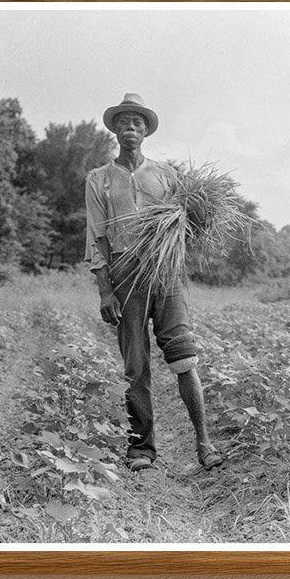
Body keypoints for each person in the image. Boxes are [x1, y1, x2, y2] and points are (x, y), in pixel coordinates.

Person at [84, 92, 223, 472]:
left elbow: (187, 223)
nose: (130, 128)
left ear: (145, 131)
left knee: (184, 358)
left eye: (137, 123)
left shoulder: (167, 176)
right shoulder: (99, 180)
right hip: (125, 275)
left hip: (166, 274)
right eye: (124, 122)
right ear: (114, 130)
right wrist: (105, 289)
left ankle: (204, 443)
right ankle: (142, 448)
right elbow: (96, 236)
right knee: (136, 367)